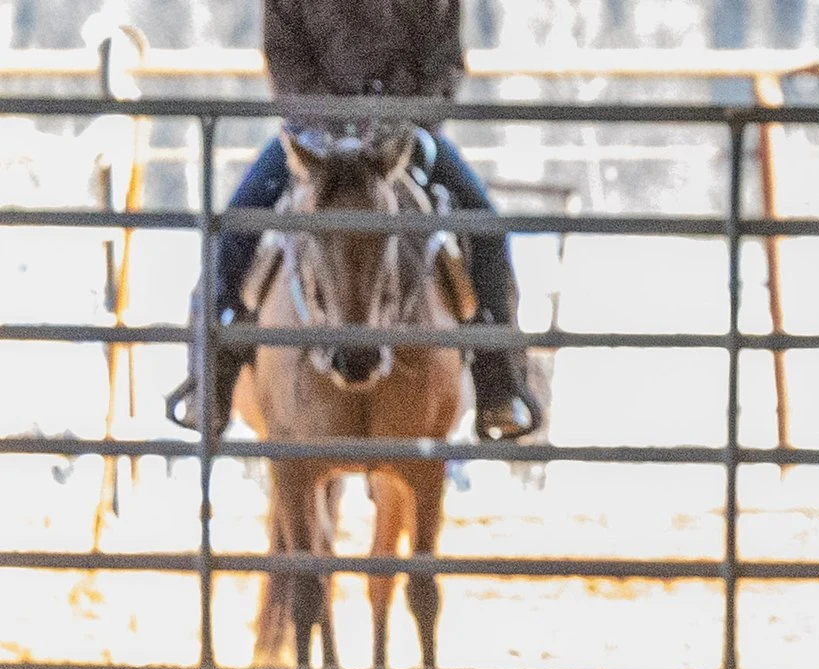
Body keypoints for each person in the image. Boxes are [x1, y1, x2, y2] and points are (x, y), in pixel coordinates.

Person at [166, 0, 541, 441]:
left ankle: (499, 379)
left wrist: (393, 117)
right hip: (313, 136)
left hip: (404, 138)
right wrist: (330, 119)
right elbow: (285, 58)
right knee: (232, 233)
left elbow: (444, 64)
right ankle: (210, 376)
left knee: (487, 229)